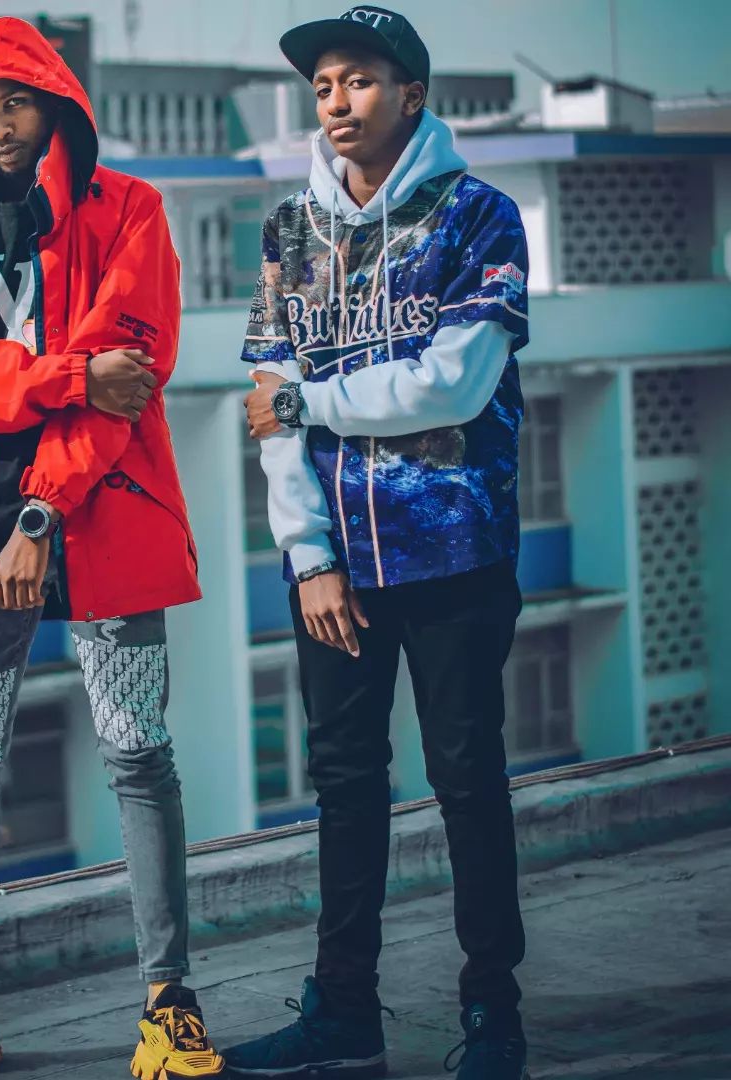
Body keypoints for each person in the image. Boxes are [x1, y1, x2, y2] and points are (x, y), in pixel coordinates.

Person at [0, 17, 224, 1080]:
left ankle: (168, 1004)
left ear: (55, 103)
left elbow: (129, 376)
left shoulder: (130, 211)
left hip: (96, 505)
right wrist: (62, 374)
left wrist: (41, 511)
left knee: (137, 751)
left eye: (13, 103)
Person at [225, 6, 531, 1080]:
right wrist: (308, 557)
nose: (337, 101)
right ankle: (343, 1011)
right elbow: (266, 406)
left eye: (358, 79)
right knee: (346, 786)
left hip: (454, 553)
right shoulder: (287, 233)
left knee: (467, 779)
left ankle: (493, 1011)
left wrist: (308, 402)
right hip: (336, 573)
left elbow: (455, 384)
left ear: (411, 93)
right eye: (322, 86)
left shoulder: (479, 217)